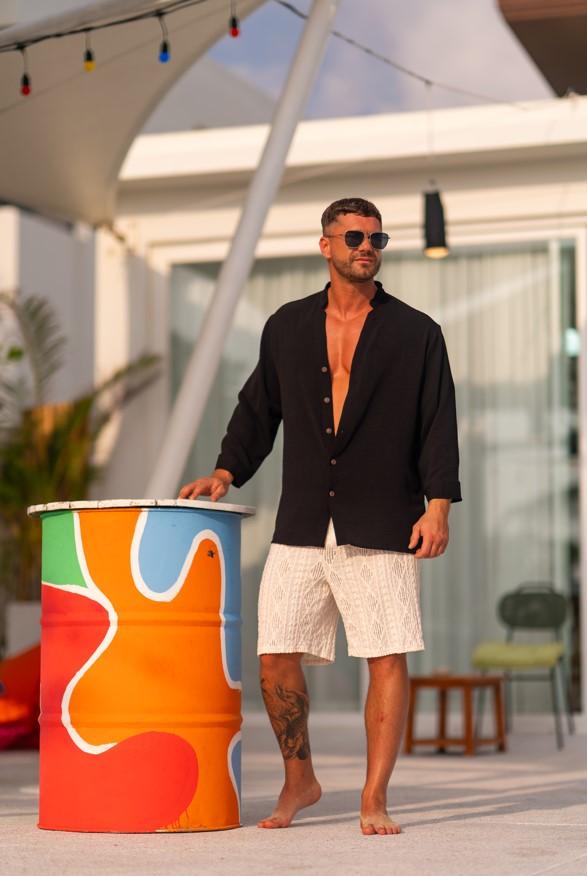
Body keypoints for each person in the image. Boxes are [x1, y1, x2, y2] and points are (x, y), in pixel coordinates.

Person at [179, 197, 462, 836]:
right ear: (326, 244)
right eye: (354, 236)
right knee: (275, 655)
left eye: (376, 238)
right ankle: (299, 778)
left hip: (384, 520)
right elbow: (259, 407)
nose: (367, 247)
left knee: (385, 656)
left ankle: (374, 795)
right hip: (304, 518)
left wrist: (438, 505)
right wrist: (226, 470)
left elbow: (437, 421)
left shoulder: (417, 332)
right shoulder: (287, 325)